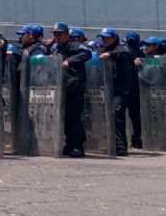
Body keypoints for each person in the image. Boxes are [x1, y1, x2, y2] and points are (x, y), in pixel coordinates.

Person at [50, 22, 92, 158]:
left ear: (67, 35)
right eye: (55, 34)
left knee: (73, 117)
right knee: (66, 117)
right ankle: (70, 144)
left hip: (74, 86)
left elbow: (87, 53)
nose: (57, 37)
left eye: (60, 34)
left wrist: (70, 61)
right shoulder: (56, 48)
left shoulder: (73, 45)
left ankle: (77, 147)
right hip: (62, 87)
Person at [97, 28, 134, 156]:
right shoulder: (102, 51)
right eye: (102, 38)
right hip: (107, 89)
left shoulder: (121, 48)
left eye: (107, 37)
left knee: (116, 113)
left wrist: (111, 55)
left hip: (121, 89)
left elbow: (126, 54)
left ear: (114, 38)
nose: (104, 40)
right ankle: (107, 144)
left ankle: (121, 146)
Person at [125, 31, 144, 148]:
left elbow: (156, 64)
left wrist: (143, 62)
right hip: (128, 87)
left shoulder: (141, 54)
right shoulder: (125, 53)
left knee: (135, 116)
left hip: (136, 88)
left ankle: (136, 138)